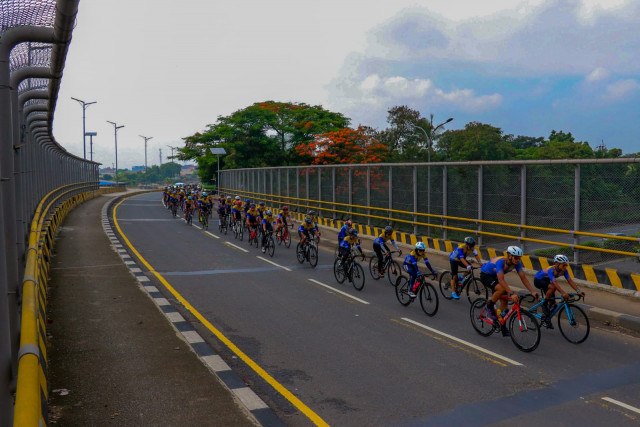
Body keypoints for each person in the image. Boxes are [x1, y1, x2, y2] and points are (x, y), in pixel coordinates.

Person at [480, 246, 539, 336]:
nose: (517, 260)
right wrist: (511, 293)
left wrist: (532, 291)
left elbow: (523, 278)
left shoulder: (517, 264)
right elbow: (501, 280)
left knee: (504, 303)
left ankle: (501, 325)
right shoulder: (501, 262)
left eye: (519, 258)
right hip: (486, 275)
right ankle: (489, 306)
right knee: (502, 288)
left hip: (495, 277)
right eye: (516, 257)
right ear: (509, 256)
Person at [534, 254, 584, 328]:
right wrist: (563, 293)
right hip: (538, 280)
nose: (565, 267)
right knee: (553, 287)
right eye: (564, 265)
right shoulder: (551, 270)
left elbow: (570, 280)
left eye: (566, 265)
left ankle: (546, 318)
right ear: (557, 264)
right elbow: (555, 283)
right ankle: (544, 304)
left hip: (547, 281)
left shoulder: (564, 271)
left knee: (553, 303)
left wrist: (578, 291)